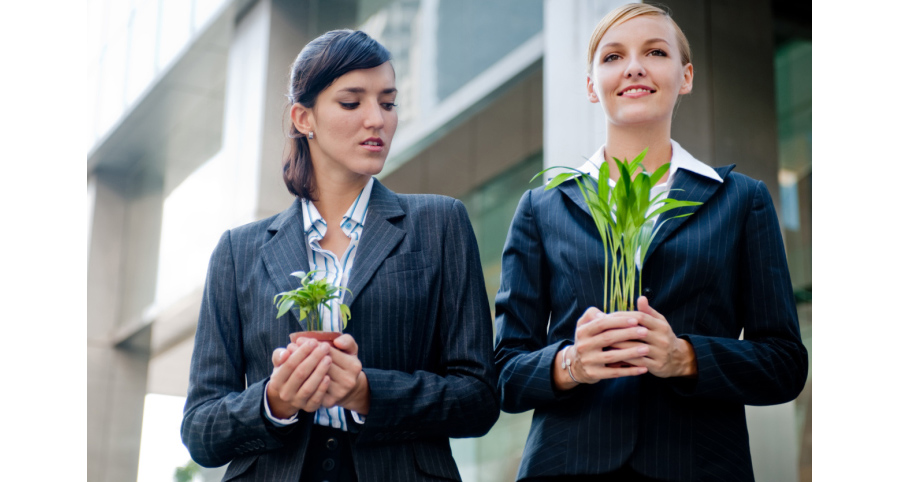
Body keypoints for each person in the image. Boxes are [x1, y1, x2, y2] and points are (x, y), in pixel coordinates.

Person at [493, 4, 808, 481]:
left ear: (686, 77)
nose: (634, 66)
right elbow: (503, 373)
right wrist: (571, 363)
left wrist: (684, 356)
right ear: (590, 86)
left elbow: (784, 364)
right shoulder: (543, 207)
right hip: (567, 465)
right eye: (613, 56)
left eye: (655, 52)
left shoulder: (742, 201)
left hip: (699, 466)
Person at [181, 29, 499, 481]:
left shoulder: (440, 224)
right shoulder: (239, 251)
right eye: (352, 103)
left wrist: (369, 392)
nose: (377, 120)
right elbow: (200, 428)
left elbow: (479, 398)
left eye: (388, 103)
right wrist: (275, 402)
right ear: (303, 118)